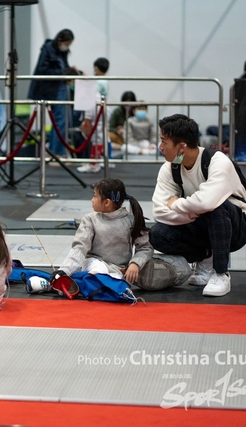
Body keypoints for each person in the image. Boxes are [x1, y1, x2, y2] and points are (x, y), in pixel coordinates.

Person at [149, 114, 246, 297]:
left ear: (181, 146)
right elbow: (158, 211)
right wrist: (193, 212)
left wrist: (177, 204)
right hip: (201, 222)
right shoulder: (171, 167)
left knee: (216, 208)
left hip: (236, 228)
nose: (160, 146)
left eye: (164, 141)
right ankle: (206, 257)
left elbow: (208, 202)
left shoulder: (218, 161)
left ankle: (221, 273)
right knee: (158, 234)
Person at [52, 178, 153, 286]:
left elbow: (145, 247)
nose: (92, 200)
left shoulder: (131, 221)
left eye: (95, 196)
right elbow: (80, 248)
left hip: (118, 269)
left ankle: (85, 283)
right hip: (94, 263)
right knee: (98, 273)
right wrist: (65, 270)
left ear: (107, 202)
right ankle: (83, 281)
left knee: (114, 283)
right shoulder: (90, 219)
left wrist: (135, 264)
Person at [28, 29, 75, 158]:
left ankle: (58, 151)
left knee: (62, 120)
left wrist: (71, 71)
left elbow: (64, 67)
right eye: (66, 43)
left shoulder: (62, 52)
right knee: (59, 120)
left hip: (61, 86)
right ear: (60, 40)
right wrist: (62, 73)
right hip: (50, 89)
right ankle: (56, 152)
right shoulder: (47, 49)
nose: (67, 46)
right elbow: (42, 69)